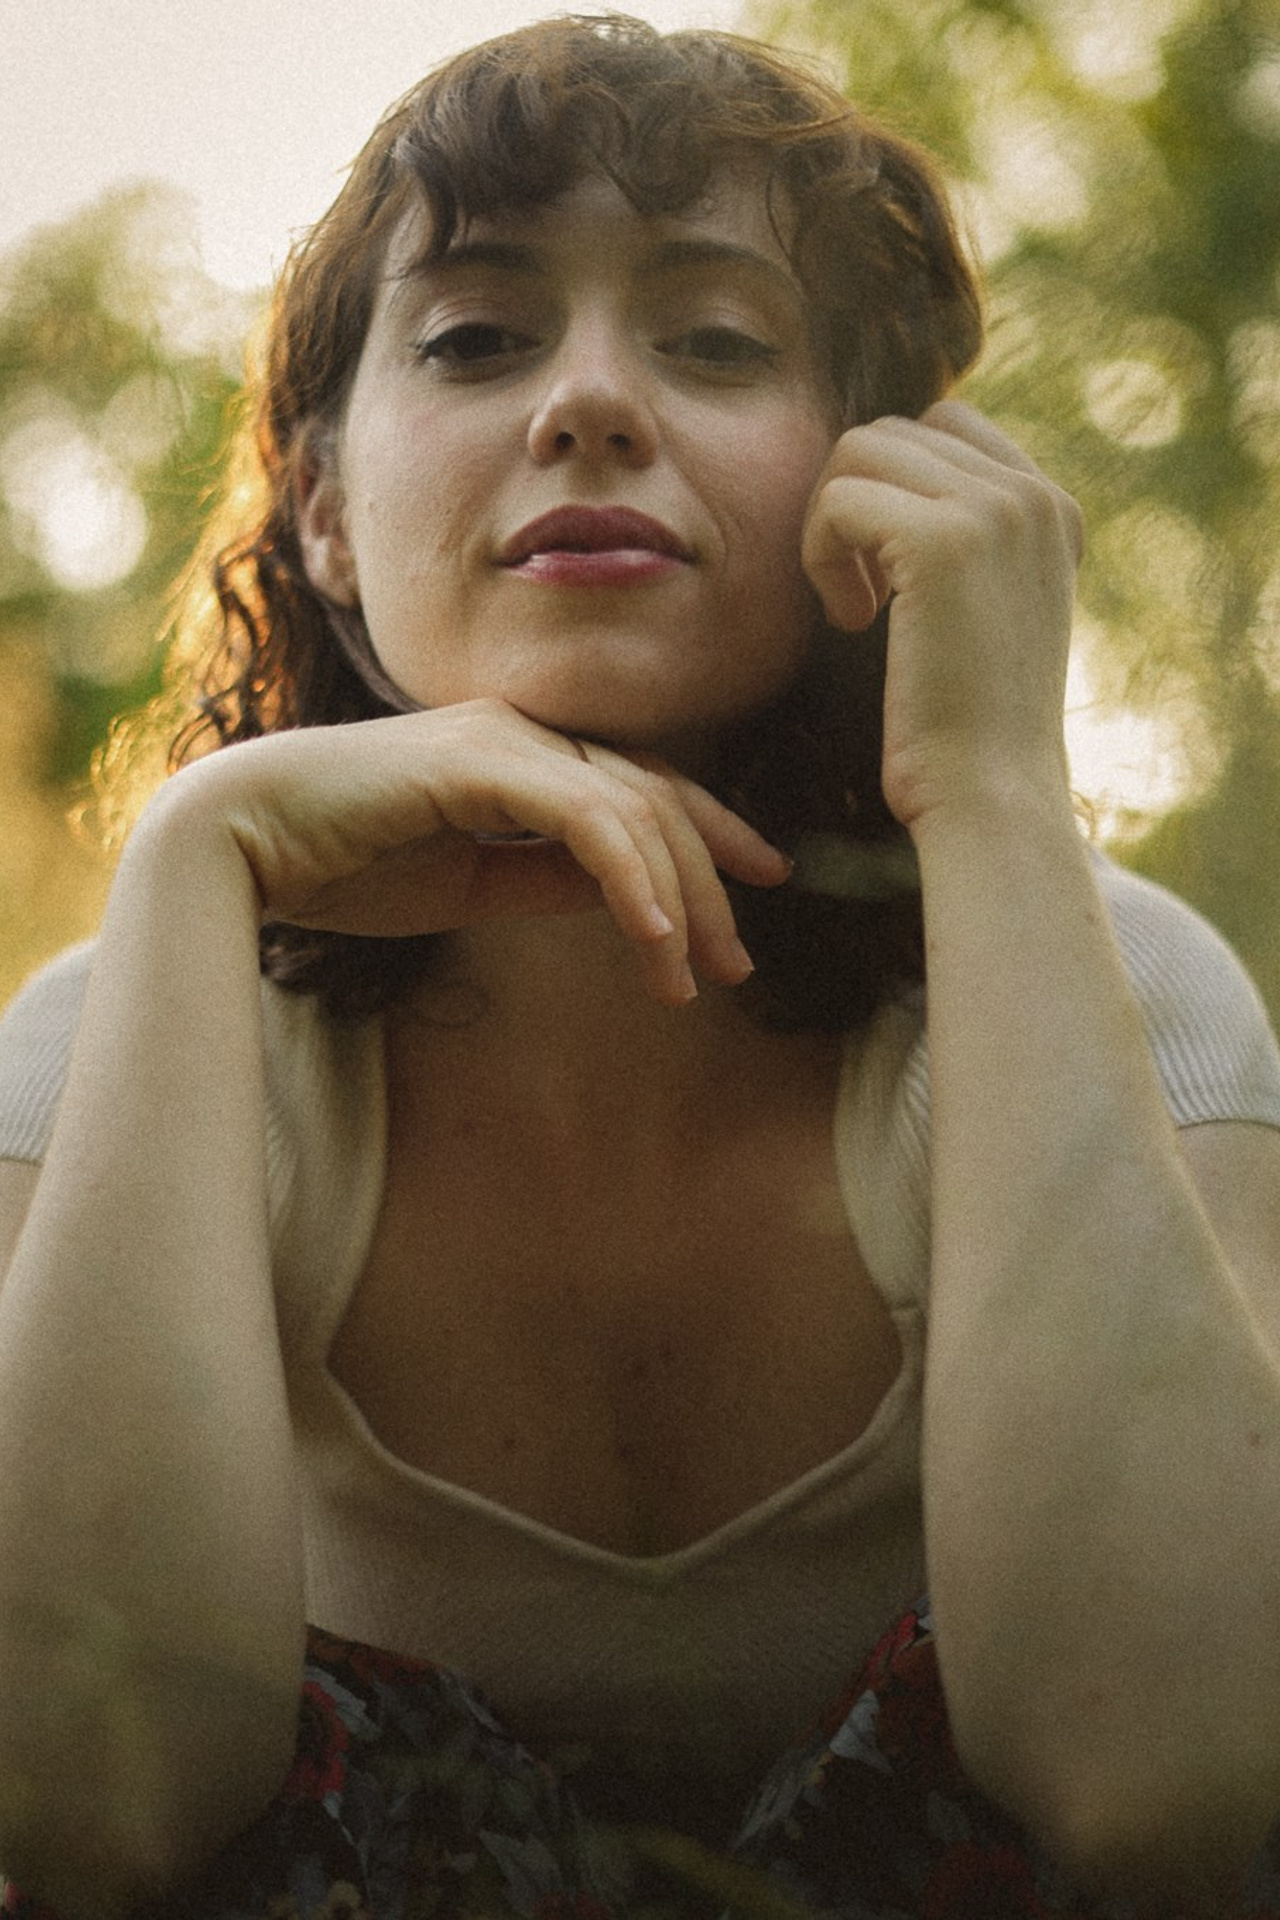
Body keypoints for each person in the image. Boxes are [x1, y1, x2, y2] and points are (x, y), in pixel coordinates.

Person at [1, 14, 1280, 1917]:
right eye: (476, 337)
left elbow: (1173, 1791)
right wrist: (198, 864)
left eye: (715, 340)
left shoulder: (1129, 999)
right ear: (329, 513)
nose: (590, 405)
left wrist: (997, 792)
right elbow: (80, 1818)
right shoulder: (116, 1042)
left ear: (884, 482)